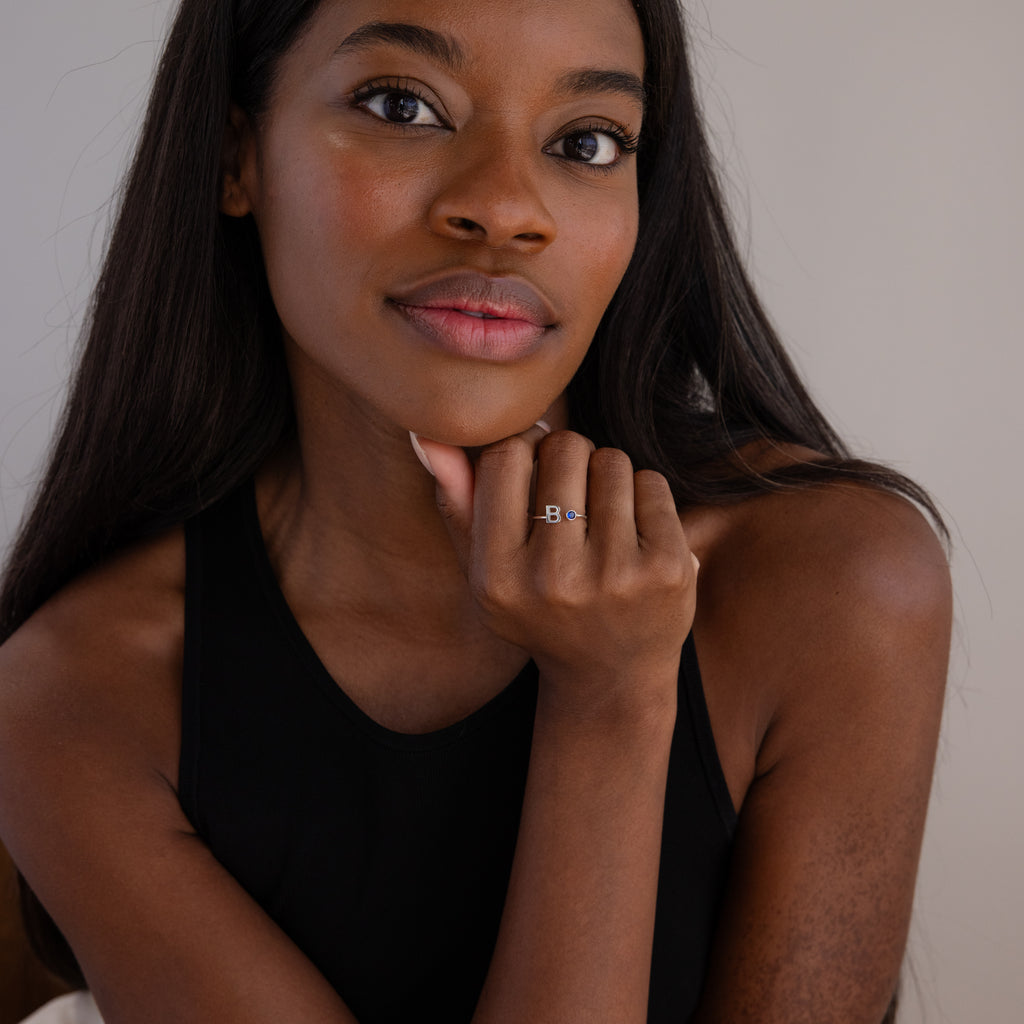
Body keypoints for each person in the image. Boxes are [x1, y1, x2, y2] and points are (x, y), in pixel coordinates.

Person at [0, 0, 952, 1021]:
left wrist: (618, 686)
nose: (505, 207)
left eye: (585, 141)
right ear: (237, 154)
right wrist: (606, 704)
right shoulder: (77, 698)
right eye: (402, 104)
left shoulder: (836, 585)